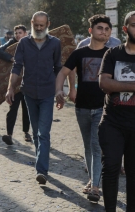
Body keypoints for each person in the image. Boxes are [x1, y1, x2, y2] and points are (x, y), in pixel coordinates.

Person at [55, 14, 112, 202]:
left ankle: (95, 187)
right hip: (82, 108)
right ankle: (91, 179)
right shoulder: (79, 53)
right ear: (91, 31)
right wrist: (59, 92)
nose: (103, 32)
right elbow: (63, 73)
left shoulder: (111, 53)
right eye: (99, 28)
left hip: (103, 108)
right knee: (88, 145)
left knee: (96, 146)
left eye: (106, 29)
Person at [5, 11, 61, 185]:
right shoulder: (23, 43)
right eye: (36, 24)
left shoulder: (55, 44)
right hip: (28, 92)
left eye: (42, 25)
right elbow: (17, 67)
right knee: (36, 133)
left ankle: (41, 170)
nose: (38, 28)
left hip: (47, 92)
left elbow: (59, 68)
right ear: (31, 23)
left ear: (48, 24)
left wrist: (59, 91)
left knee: (43, 133)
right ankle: (41, 164)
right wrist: (10, 88)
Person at [98, 11, 135, 211]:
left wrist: (118, 84)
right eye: (134, 25)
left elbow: (112, 83)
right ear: (125, 28)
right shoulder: (113, 54)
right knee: (111, 168)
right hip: (113, 122)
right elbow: (104, 83)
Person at [0, 25, 31, 145]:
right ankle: (9, 134)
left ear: (25, 33)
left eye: (20, 33)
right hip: (14, 84)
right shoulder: (11, 43)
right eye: (16, 33)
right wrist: (10, 57)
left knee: (27, 110)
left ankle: (26, 132)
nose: (17, 35)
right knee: (12, 110)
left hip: (27, 83)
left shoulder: (31, 43)